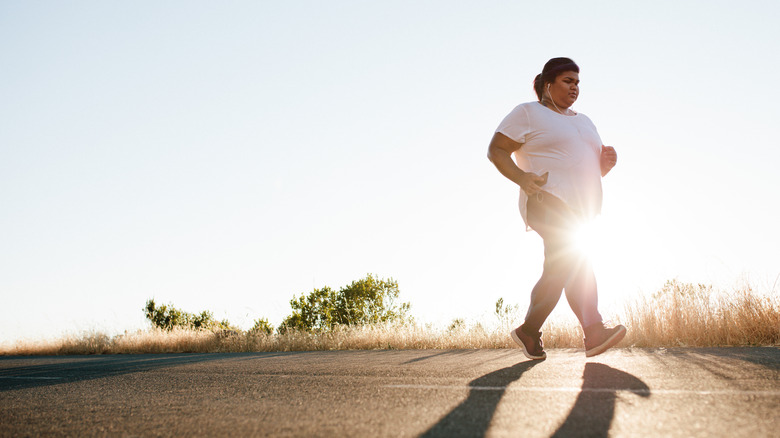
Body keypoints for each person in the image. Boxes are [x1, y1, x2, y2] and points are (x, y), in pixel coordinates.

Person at [487, 57, 626, 360]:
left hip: (581, 209)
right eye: (567, 81)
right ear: (547, 83)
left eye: (577, 83)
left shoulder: (585, 121)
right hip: (545, 199)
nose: (575, 87)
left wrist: (604, 166)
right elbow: (495, 150)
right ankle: (593, 332)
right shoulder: (528, 112)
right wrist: (521, 177)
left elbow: (580, 169)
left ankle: (531, 331)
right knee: (571, 260)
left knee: (568, 264)